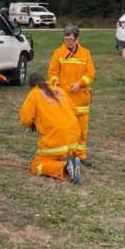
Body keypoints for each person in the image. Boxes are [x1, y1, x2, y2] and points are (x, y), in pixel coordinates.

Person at [18, 72, 82, 183]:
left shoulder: (34, 94)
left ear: (32, 86)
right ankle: (65, 160)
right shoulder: (60, 90)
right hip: (74, 135)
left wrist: (31, 124)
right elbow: (75, 111)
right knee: (55, 153)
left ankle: (65, 166)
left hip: (55, 137)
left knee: (36, 166)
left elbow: (25, 118)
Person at [48, 25, 97, 159]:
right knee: (65, 127)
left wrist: (79, 83)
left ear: (77, 39)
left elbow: (91, 73)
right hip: (65, 98)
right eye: (66, 39)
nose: (69, 42)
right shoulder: (58, 53)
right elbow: (53, 72)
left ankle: (80, 155)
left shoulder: (86, 53)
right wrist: (55, 81)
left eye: (71, 40)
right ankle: (64, 153)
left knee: (82, 129)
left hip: (81, 98)